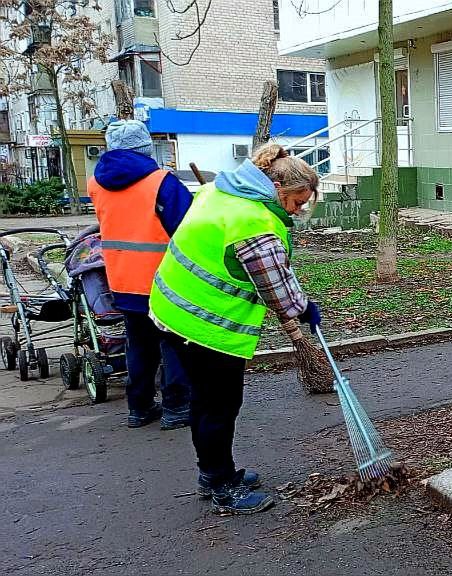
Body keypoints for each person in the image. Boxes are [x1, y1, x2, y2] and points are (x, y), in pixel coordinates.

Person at [150, 143, 321, 516]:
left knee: (206, 401)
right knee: (219, 405)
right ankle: (221, 486)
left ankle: (214, 473)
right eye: (295, 201)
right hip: (204, 325)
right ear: (277, 188)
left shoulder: (222, 188)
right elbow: (281, 295)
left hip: (172, 307)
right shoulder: (253, 222)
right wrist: (306, 308)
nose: (298, 209)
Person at [88, 120, 192, 430]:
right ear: (145, 148)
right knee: (173, 343)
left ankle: (140, 406)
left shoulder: (95, 183)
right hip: (163, 280)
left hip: (121, 279)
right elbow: (187, 229)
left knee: (139, 345)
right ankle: (176, 407)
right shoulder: (163, 183)